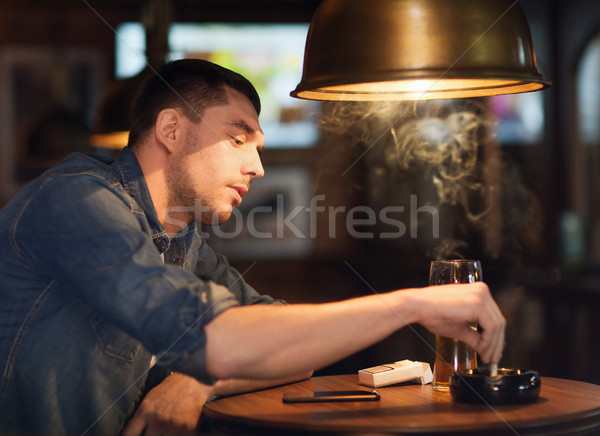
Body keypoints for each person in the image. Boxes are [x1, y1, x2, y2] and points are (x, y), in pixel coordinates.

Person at [0, 59, 505, 435]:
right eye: (239, 139)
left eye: (259, 148)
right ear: (171, 130)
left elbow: (292, 354)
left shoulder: (181, 237)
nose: (258, 168)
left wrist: (200, 381)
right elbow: (225, 340)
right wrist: (411, 304)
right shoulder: (77, 201)